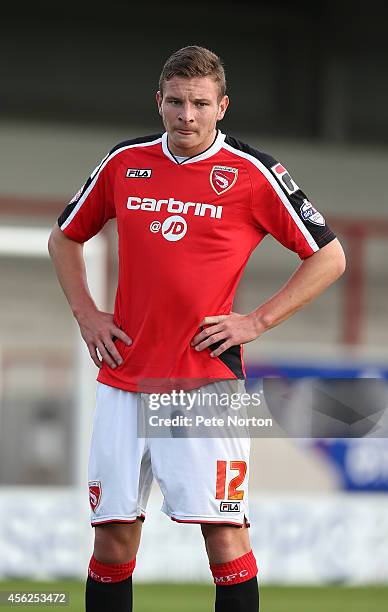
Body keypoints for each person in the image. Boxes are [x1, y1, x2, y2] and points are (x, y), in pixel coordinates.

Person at [48, 45, 346, 612]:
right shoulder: (123, 163)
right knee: (112, 542)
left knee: (224, 538)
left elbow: (330, 258)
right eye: (177, 103)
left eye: (201, 104)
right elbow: (64, 238)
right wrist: (87, 314)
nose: (188, 115)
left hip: (205, 380)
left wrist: (256, 320)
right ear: (158, 102)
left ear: (222, 106)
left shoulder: (253, 173)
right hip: (123, 377)